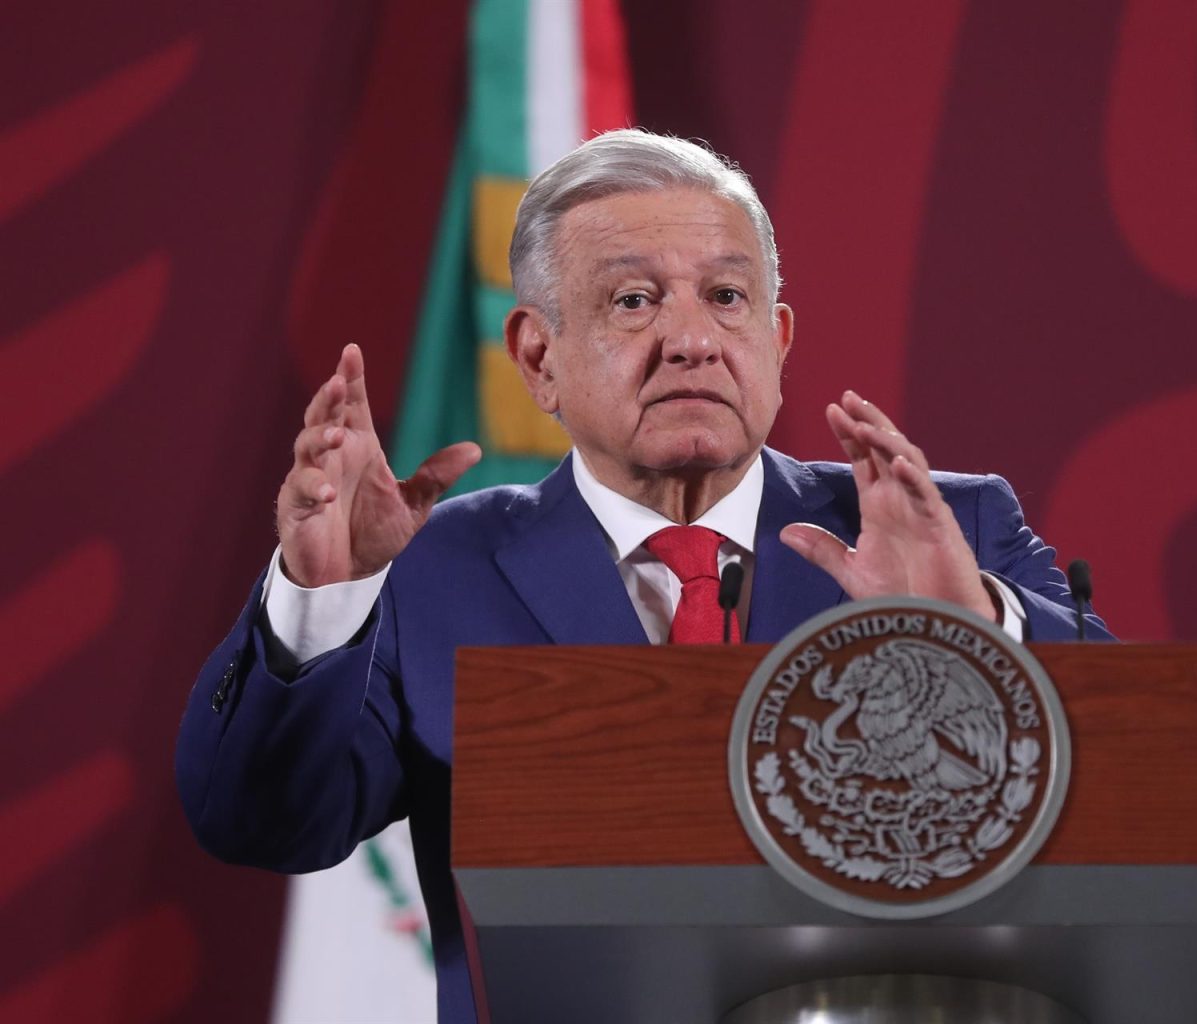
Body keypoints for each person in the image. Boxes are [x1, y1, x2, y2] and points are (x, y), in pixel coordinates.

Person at [176, 129, 1110, 1022]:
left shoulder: (940, 529)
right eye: (633, 301)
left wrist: (975, 633)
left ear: (779, 338)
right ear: (538, 358)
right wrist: (320, 598)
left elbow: (1155, 785)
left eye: (727, 297)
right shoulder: (435, 571)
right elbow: (261, 822)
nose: (692, 339)